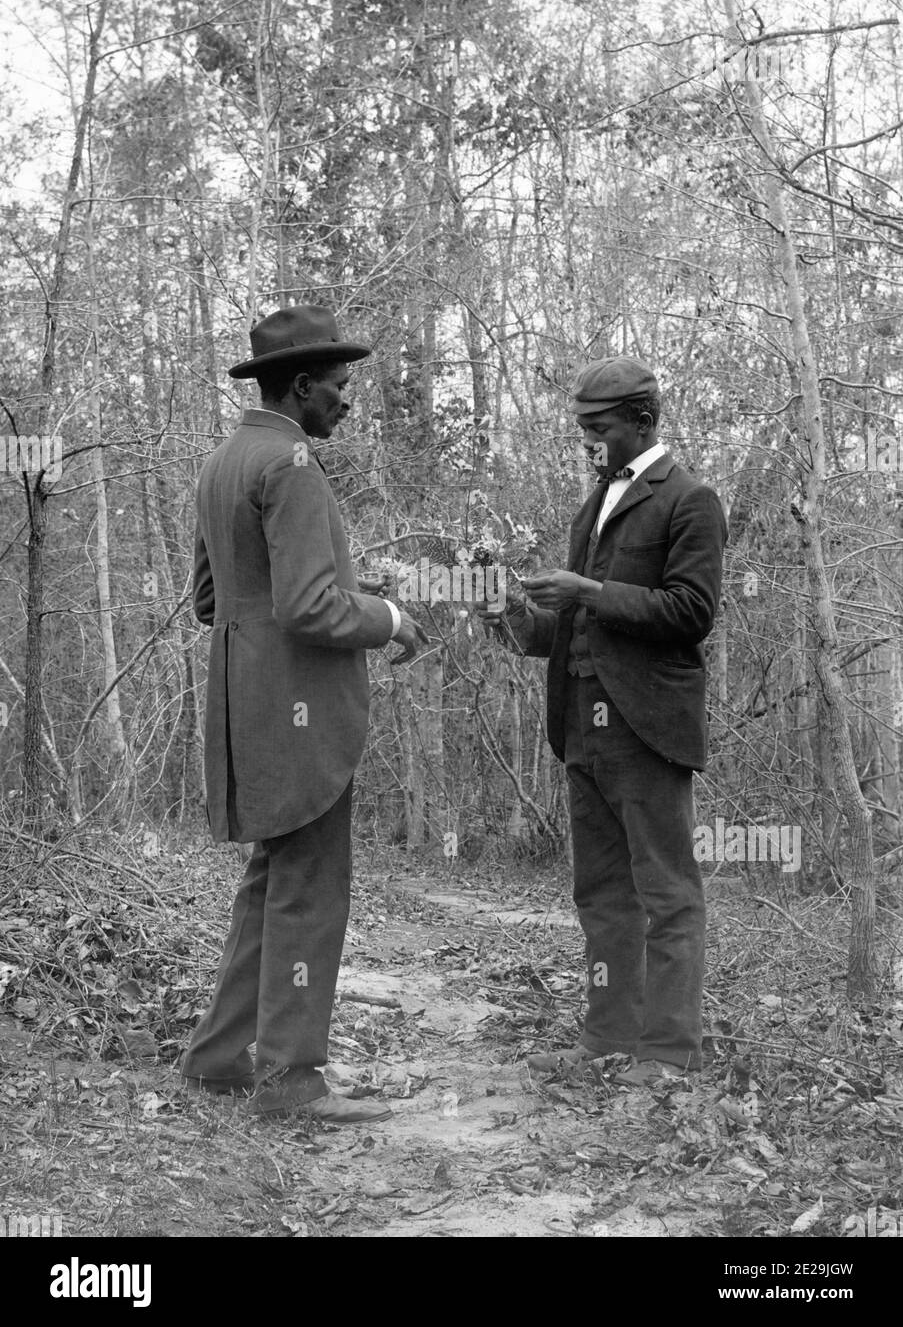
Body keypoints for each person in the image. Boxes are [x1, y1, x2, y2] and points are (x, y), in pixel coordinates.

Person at [182, 304, 427, 1121]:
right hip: (297, 709)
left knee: (271, 879)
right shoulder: (289, 463)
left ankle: (218, 1054)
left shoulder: (224, 460)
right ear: (298, 386)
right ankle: (291, 1081)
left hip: (242, 704)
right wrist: (389, 618)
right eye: (337, 386)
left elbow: (210, 600)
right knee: (309, 889)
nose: (346, 401)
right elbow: (313, 608)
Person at [480, 356, 727, 1088]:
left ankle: (670, 1052)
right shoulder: (592, 503)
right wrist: (516, 620)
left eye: (599, 429)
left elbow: (691, 613)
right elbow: (573, 629)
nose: (588, 444)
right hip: (581, 728)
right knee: (599, 895)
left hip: (647, 727)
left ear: (642, 420)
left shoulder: (690, 499)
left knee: (667, 894)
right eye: (582, 430)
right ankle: (606, 1038)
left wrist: (585, 587)